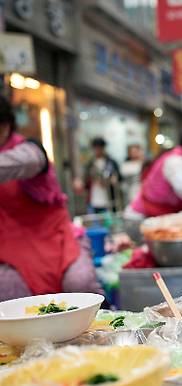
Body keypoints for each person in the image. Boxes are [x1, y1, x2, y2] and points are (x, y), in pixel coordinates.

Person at [0, 95, 101, 301]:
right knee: (12, 293)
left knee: (79, 284)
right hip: (10, 245)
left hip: (56, 238)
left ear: (6, 125)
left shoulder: (30, 150)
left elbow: (22, 163)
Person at [82, 137, 122, 213]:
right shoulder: (90, 163)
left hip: (109, 195)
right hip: (95, 196)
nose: (97, 151)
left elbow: (119, 177)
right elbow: (85, 179)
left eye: (100, 148)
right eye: (95, 148)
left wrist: (114, 179)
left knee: (111, 216)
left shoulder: (111, 162)